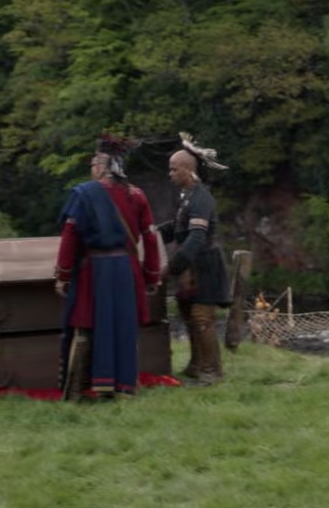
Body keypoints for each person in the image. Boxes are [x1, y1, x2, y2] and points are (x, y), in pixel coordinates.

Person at [54, 135, 161, 401]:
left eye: (93, 163)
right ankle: (124, 386)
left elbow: (70, 235)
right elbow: (150, 237)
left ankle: (79, 388)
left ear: (103, 166)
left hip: (94, 270)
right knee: (125, 327)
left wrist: (63, 274)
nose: (92, 169)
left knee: (85, 326)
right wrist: (151, 275)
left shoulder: (84, 194)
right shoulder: (137, 195)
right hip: (126, 269)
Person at [160, 134, 231, 386]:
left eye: (174, 169)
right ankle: (196, 364)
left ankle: (212, 371)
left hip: (205, 267)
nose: (170, 174)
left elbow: (196, 237)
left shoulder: (201, 197)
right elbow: (177, 227)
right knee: (188, 316)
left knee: (202, 319)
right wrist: (151, 234)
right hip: (190, 268)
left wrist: (172, 266)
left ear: (188, 170)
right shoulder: (187, 196)